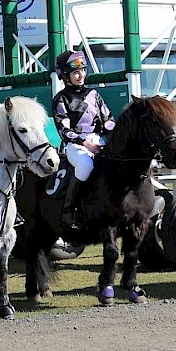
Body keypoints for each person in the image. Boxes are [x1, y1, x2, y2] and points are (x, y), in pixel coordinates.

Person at [52, 49, 115, 229]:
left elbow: (108, 120)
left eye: (83, 70)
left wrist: (117, 136)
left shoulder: (94, 94)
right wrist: (86, 143)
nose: (81, 76)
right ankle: (69, 209)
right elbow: (64, 130)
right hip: (74, 146)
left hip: (98, 140)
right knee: (86, 165)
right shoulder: (61, 99)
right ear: (66, 76)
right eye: (75, 72)